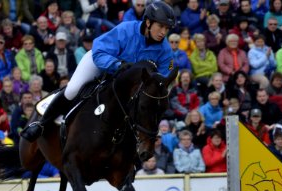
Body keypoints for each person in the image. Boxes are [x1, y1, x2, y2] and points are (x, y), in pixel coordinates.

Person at [21, 1, 176, 142]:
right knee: (73, 89)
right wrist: (116, 65)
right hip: (99, 61)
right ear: (148, 22)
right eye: (161, 26)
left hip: (127, 84)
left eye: (167, 28)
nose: (163, 32)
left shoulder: (165, 50)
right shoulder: (126, 30)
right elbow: (100, 51)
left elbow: (161, 79)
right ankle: (41, 124)